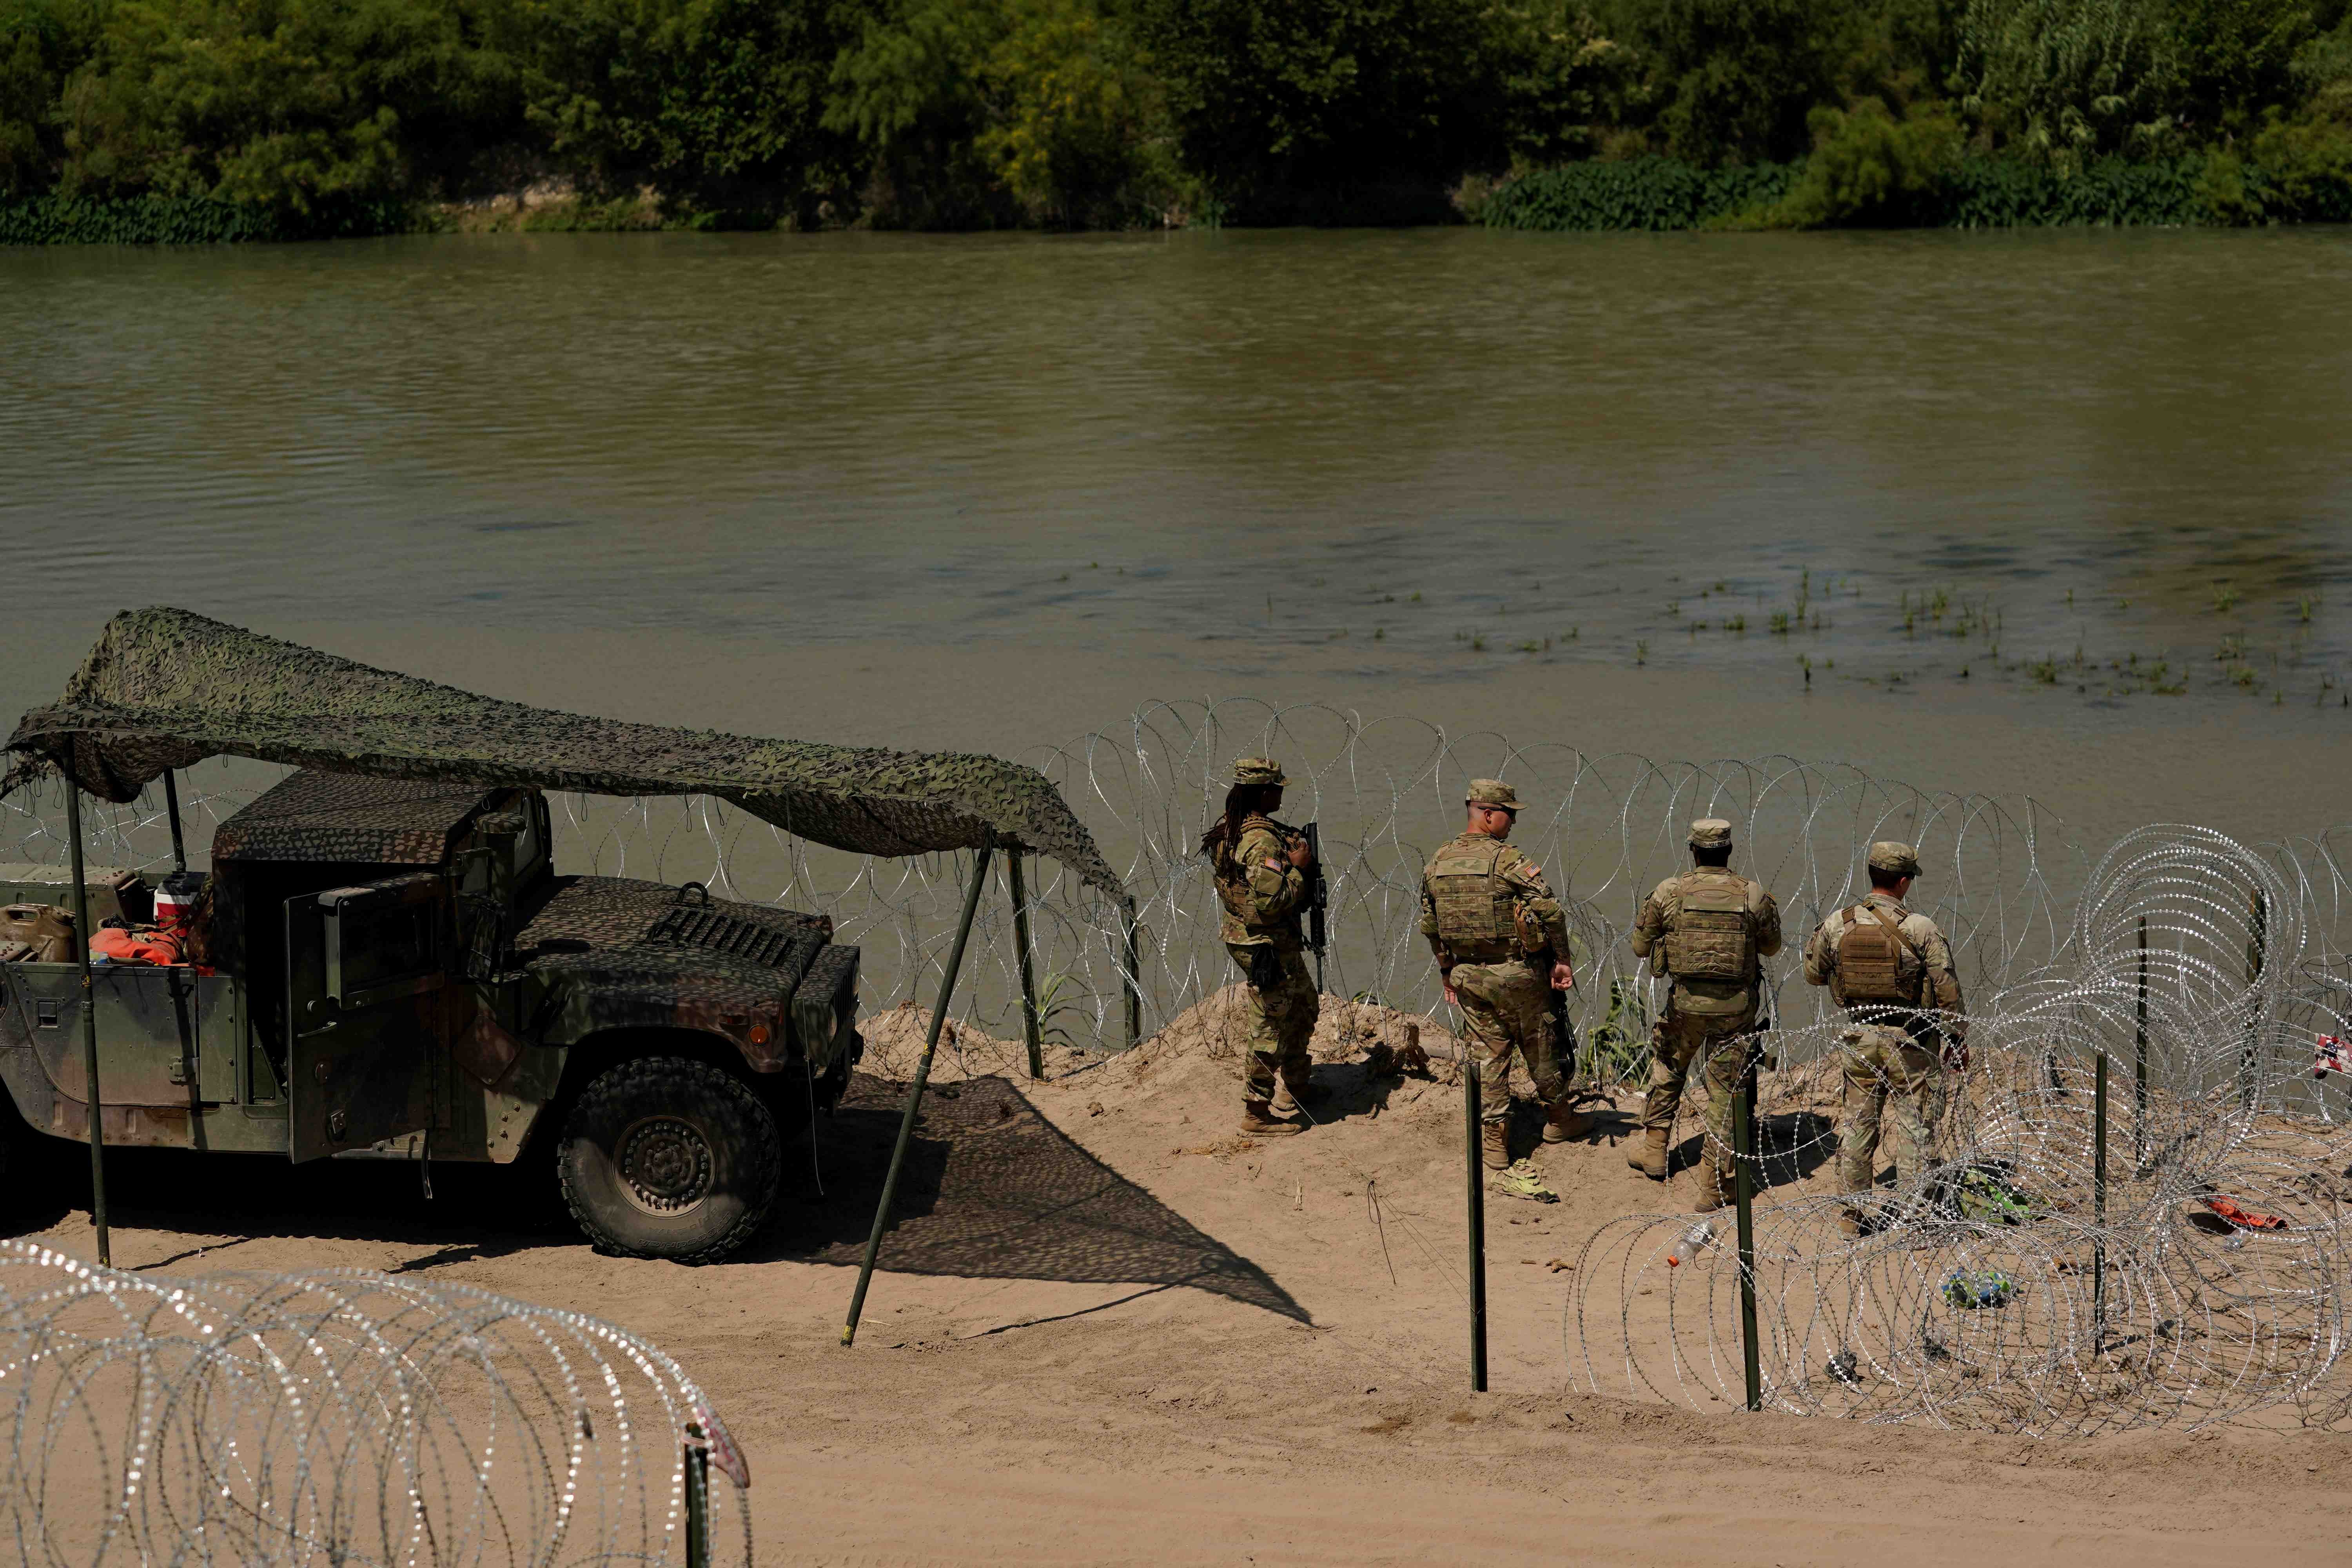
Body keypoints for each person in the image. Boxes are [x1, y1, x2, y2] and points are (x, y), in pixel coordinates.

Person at [1419, 779, 1588, 1201]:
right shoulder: (1507, 860)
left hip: (1468, 975)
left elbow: (1430, 922)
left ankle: (1494, 1141)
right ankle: (1559, 1119)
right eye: (1509, 814)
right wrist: (1563, 959)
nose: (1513, 822)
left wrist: (1445, 969)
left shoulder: (1438, 861)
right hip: (1516, 974)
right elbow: (1550, 909)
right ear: (1488, 814)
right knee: (1541, 1042)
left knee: (1487, 1054)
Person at [1802, 840, 1968, 1236]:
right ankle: (1914, 1216)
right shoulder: (1920, 928)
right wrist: (1957, 1039)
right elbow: (1947, 991)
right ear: (1905, 881)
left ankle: (1850, 1215)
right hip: (1910, 1040)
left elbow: (1813, 973)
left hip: (1859, 1037)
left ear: (1872, 874)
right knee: (1916, 1127)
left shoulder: (1838, 923)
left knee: (1858, 1126)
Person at [1626, 819, 1783, 1211]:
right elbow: (1772, 946)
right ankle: (1713, 1186)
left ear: (1693, 852)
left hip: (1686, 1004)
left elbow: (1639, 946)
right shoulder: (1752, 894)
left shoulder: (1669, 892)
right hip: (1735, 1009)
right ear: (1729, 852)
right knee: (1725, 1093)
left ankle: (1655, 1150)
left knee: (1669, 1068)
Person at [1203, 757, 1326, 1137]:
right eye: (1277, 788)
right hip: (1264, 944)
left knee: (1303, 1003)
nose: (1282, 793)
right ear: (1263, 792)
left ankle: (1297, 1085)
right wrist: (1300, 869)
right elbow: (1272, 901)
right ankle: (1256, 1111)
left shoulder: (1234, 827)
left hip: (1261, 939)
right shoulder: (1260, 839)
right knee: (1270, 1023)